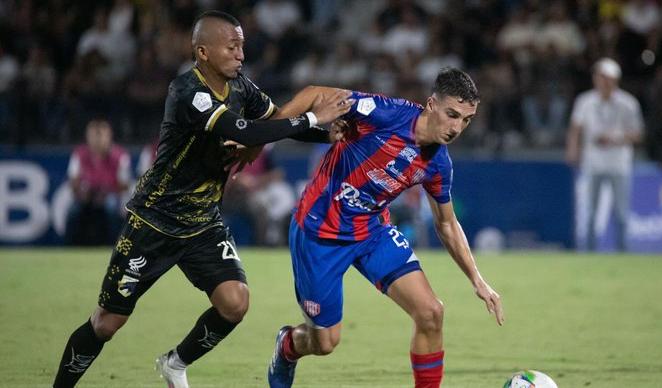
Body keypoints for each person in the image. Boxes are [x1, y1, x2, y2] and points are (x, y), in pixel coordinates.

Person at [52, 11, 352, 388]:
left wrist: (327, 136)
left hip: (202, 222)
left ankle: (175, 363)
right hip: (154, 221)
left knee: (235, 302)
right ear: (204, 52)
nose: (242, 54)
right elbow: (243, 129)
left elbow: (274, 119)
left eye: (242, 45)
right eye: (232, 46)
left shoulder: (241, 86)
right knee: (107, 323)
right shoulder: (187, 92)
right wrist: (312, 118)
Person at [266, 68, 504, 388]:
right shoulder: (386, 113)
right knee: (325, 343)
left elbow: (446, 223)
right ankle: (288, 345)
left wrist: (478, 279)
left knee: (431, 313)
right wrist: (267, 134)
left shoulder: (438, 163)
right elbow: (313, 93)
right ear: (432, 104)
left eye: (466, 120)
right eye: (452, 114)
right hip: (320, 233)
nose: (456, 127)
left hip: (372, 232)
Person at [566, 58, 644, 252]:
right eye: (600, 77)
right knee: (590, 212)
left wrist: (616, 137)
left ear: (615, 80)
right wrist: (573, 149)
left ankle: (622, 251)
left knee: (621, 212)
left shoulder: (628, 103)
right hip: (593, 163)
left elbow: (638, 134)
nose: (603, 82)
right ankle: (590, 253)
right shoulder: (585, 101)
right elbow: (575, 128)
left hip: (619, 163)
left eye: (607, 78)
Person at [65, 118, 131, 245]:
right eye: (93, 136)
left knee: (111, 207)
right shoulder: (79, 154)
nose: (97, 140)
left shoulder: (120, 155)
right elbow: (73, 181)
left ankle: (114, 246)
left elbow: (124, 185)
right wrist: (82, 192)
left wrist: (107, 191)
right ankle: (69, 246)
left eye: (101, 135)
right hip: (86, 197)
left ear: (109, 136)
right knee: (73, 211)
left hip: (110, 196)